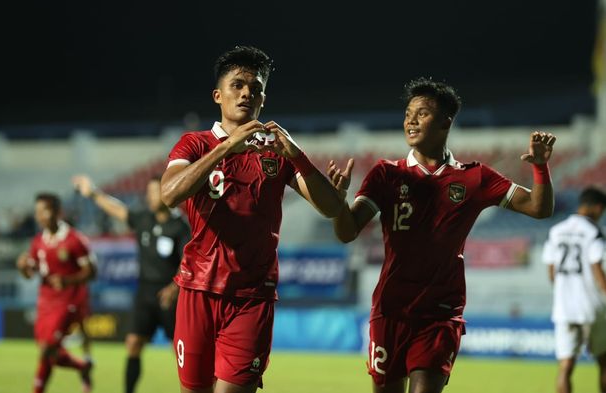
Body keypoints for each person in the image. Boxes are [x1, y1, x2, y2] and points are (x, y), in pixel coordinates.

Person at [326, 78, 556, 393]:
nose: (411, 120)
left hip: (440, 312)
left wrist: (541, 168)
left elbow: (538, 208)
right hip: (390, 309)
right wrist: (338, 204)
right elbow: (347, 232)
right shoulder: (386, 174)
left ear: (446, 121)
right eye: (408, 113)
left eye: (422, 113)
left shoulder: (475, 177)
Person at [160, 45, 345, 393]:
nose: (247, 93)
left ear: (264, 98)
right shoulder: (195, 144)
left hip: (252, 296)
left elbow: (333, 208)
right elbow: (170, 194)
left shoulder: (276, 152)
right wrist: (227, 147)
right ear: (218, 95)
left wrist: (299, 156)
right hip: (198, 290)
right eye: (238, 85)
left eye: (256, 88)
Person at [73, 174, 191, 393]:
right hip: (145, 292)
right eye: (148, 193)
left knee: (181, 351)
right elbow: (117, 209)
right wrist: (93, 192)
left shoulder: (180, 226)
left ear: (167, 192)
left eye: (154, 192)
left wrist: (175, 287)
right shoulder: (144, 218)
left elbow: (188, 259)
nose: (150, 197)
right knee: (133, 343)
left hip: (171, 294)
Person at [16, 192, 96, 393]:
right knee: (48, 352)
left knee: (47, 349)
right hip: (45, 302)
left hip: (67, 301)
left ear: (57, 213)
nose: (40, 216)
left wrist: (67, 280)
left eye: (44, 211)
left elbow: (91, 272)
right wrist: (22, 267)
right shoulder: (38, 241)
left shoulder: (74, 240)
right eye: (37, 212)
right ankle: (83, 366)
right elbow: (31, 273)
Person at [542, 186, 606, 393]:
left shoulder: (556, 231)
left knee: (566, 366)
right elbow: (597, 266)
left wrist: (564, 290)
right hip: (591, 307)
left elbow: (551, 272)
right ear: (597, 208)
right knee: (604, 362)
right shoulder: (594, 233)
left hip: (564, 309)